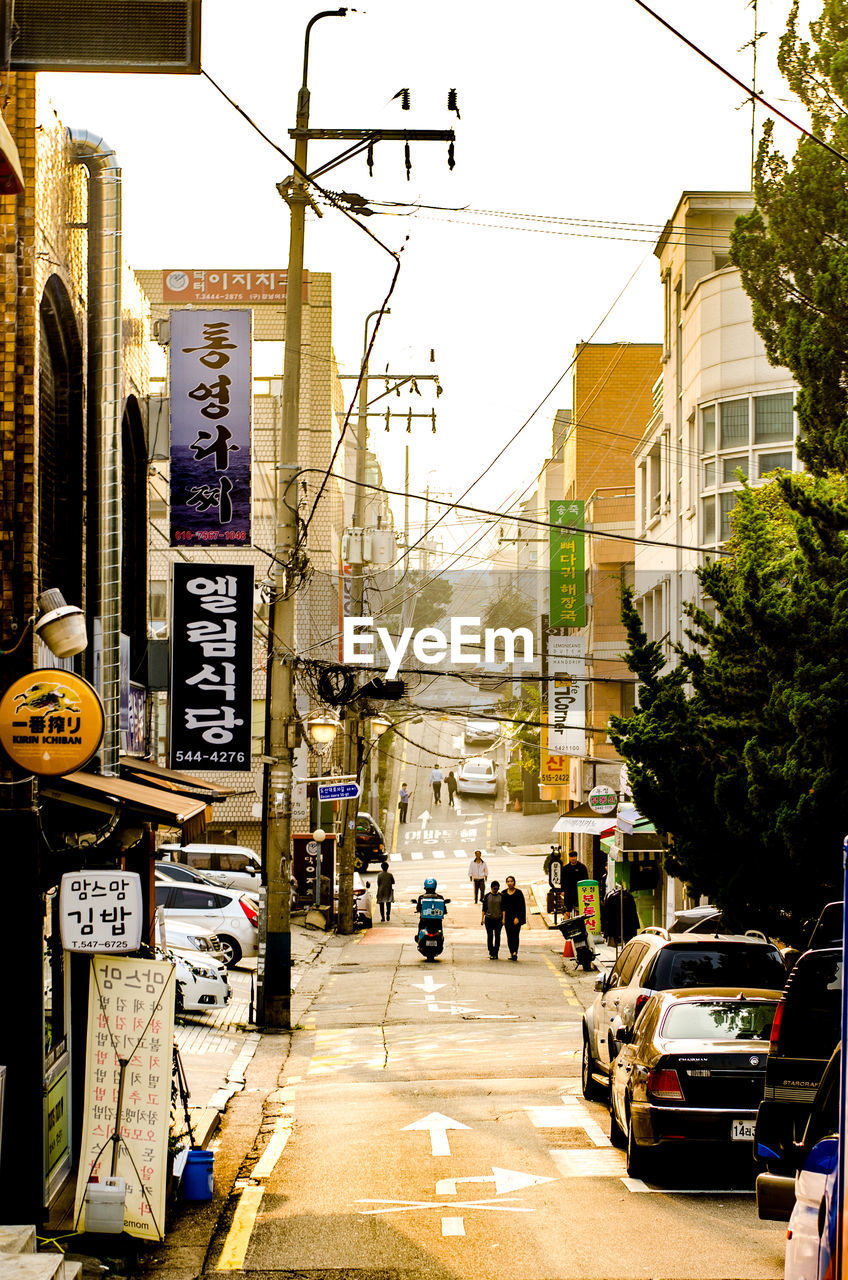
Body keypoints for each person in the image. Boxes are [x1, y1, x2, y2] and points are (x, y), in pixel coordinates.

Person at [502, 875, 526, 960]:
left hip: (516, 918)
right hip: (507, 918)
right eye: (508, 881)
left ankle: (515, 952)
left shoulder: (518, 893)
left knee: (515, 935)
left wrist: (518, 917)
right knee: (509, 936)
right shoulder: (504, 893)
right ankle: (511, 952)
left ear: (514, 882)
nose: (510, 883)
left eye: (511, 881)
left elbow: (522, 907)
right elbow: (502, 907)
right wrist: (503, 919)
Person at [561, 850, 589, 917]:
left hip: (579, 892)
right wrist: (562, 890)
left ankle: (577, 926)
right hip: (568, 892)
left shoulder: (582, 867)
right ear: (569, 858)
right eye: (571, 857)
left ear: (576, 857)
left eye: (574, 857)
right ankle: (567, 926)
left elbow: (586, 879)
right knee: (567, 910)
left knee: (578, 910)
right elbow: (562, 880)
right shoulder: (565, 868)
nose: (573, 858)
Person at [481, 879, 503, 958]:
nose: (495, 890)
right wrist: (482, 919)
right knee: (490, 936)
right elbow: (484, 908)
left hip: (498, 919)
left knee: (497, 935)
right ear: (491, 888)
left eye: (497, 888)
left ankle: (496, 952)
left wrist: (503, 919)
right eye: (494, 888)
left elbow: (503, 909)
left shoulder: (501, 896)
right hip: (489, 919)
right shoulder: (487, 896)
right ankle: (491, 951)